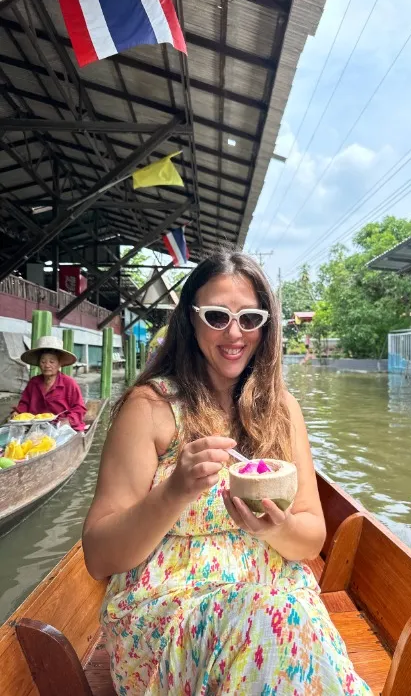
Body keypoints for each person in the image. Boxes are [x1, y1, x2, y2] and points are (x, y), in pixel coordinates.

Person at [83, 252, 371, 695]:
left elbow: (311, 537)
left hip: (277, 593)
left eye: (249, 318)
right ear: (190, 321)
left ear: (266, 326)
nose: (234, 333)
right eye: (217, 316)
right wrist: (175, 490)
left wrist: (276, 525)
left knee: (278, 621)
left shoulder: (282, 412)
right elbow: (99, 555)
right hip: (171, 610)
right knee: (271, 623)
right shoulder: (150, 408)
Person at [14, 335, 87, 431]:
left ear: (59, 364)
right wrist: (18, 413)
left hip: (62, 427)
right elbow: (24, 403)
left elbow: (79, 408)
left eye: (52, 362)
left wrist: (68, 420)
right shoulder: (33, 382)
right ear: (39, 364)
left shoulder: (69, 383)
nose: (47, 365)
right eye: (43, 361)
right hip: (36, 427)